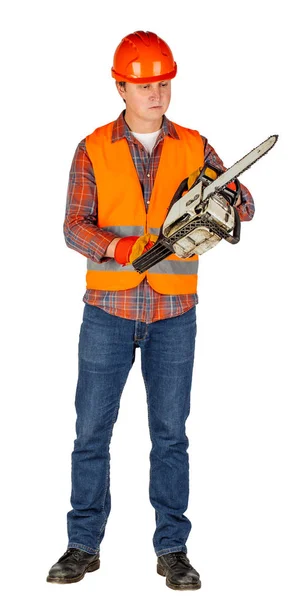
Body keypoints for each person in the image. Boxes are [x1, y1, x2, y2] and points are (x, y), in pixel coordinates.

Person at [46, 30, 255, 590]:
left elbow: (246, 202)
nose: (156, 93)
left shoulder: (194, 145)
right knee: (91, 431)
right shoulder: (92, 147)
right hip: (108, 310)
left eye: (163, 83)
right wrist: (119, 248)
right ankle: (82, 543)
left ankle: (173, 548)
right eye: (144, 85)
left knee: (170, 434)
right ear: (121, 86)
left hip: (174, 314)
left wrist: (224, 198)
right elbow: (74, 225)